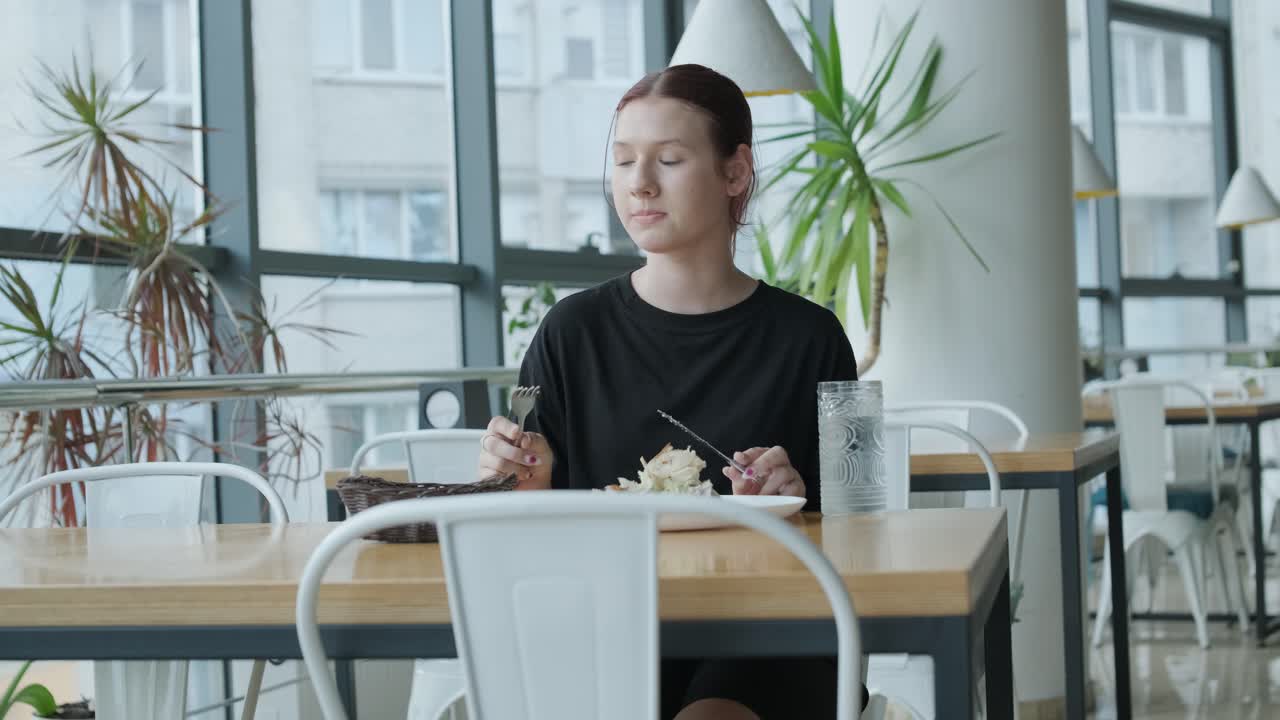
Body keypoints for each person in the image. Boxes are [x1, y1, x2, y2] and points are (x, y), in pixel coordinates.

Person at [477, 63, 863, 720]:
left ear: (735, 172)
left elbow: (859, 538)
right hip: (605, 626)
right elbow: (531, 539)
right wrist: (521, 484)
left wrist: (793, 500)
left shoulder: (812, 338)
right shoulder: (571, 333)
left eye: (670, 159)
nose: (640, 183)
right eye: (624, 160)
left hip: (770, 627)